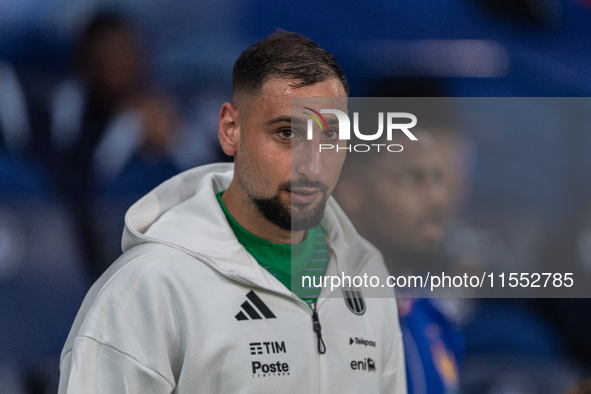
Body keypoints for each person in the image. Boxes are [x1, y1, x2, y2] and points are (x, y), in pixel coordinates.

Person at [58, 31, 406, 393]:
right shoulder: (148, 289)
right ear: (230, 130)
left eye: (331, 136)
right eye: (287, 133)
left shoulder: (367, 273)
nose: (313, 166)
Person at [335, 122, 463, 394]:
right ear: (352, 191)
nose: (438, 198)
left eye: (439, 178)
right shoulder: (313, 316)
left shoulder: (430, 315)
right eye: (411, 179)